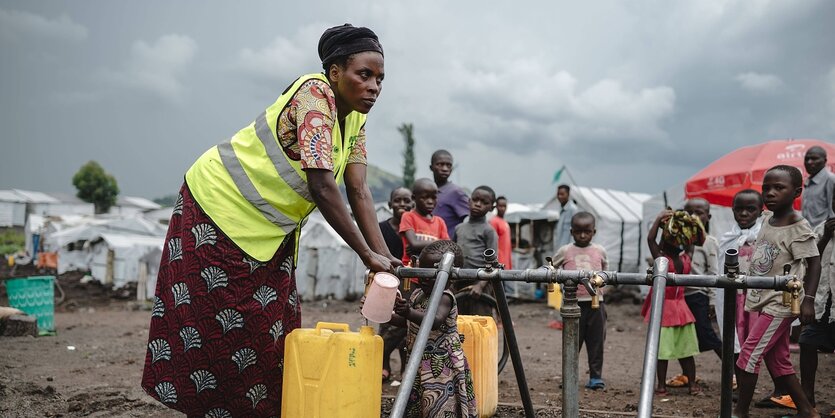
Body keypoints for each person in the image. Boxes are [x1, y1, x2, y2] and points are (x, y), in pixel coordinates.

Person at [140, 24, 399, 416]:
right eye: (364, 74)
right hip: (215, 211)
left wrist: (386, 262)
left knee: (270, 328)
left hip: (267, 232)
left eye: (379, 78)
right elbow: (323, 186)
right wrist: (366, 255)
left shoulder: (355, 120)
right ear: (334, 72)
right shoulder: (315, 96)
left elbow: (359, 190)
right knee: (215, 325)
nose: (374, 86)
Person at [734, 165, 821, 418]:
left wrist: (809, 301)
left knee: (748, 355)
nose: (770, 193)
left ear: (796, 192)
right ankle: (807, 411)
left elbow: (813, 262)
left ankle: (740, 412)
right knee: (778, 360)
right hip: (764, 298)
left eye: (778, 188)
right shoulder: (766, 219)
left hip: (782, 302)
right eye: (766, 188)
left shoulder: (798, 226)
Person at [386, 240, 478, 418]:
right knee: (419, 403)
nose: (424, 277)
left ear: (450, 276)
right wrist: (387, 314)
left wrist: (409, 312)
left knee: (442, 404)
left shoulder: (445, 297)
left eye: (432, 273)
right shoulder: (418, 294)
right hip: (419, 362)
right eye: (423, 270)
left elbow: (434, 321)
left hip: (442, 364)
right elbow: (406, 322)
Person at [666, 198, 723, 389]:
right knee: (683, 336)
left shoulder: (709, 242)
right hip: (680, 297)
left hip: (698, 294)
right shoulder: (678, 239)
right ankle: (687, 374)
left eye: (699, 213)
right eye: (689, 213)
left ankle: (733, 371)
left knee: (707, 335)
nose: (694, 217)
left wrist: (712, 301)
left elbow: (713, 273)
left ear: (708, 217)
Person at [645, 209, 702, 396]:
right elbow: (692, 244)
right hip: (681, 309)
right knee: (686, 351)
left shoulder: (662, 259)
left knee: (662, 352)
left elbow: (650, 239)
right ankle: (692, 385)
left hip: (665, 310)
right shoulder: (685, 259)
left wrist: (658, 219)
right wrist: (693, 224)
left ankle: (661, 386)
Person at [552, 211, 608, 390]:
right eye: (578, 231)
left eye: (587, 231)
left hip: (596, 303)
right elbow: (551, 267)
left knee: (596, 342)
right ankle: (569, 377)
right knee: (571, 343)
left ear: (594, 232)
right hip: (572, 304)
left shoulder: (599, 251)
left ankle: (595, 377)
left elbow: (606, 272)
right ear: (571, 231)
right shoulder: (565, 251)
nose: (582, 235)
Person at [799, 189, 835, 413]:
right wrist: (824, 239)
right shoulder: (822, 229)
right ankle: (807, 401)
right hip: (823, 303)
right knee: (807, 342)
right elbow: (808, 261)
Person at [378, 187, 413, 383]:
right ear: (390, 204)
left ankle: (405, 369)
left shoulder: (412, 229)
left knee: (405, 325)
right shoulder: (381, 228)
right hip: (387, 281)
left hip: (409, 283)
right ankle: (384, 365)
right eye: (397, 200)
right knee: (386, 321)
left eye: (406, 201)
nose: (402, 204)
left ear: (412, 204)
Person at [454, 185, 499, 316]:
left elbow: (493, 263)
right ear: (469, 201)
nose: (478, 204)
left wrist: (480, 285)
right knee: (460, 321)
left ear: (491, 207)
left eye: (484, 202)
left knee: (480, 321)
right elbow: (453, 254)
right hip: (460, 281)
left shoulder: (489, 231)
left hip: (480, 282)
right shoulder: (459, 228)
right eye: (475, 200)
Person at [400, 178, 449, 266]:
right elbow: (414, 243)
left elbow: (448, 247)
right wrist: (439, 244)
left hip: (433, 273)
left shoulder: (440, 222)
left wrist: (421, 247)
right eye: (425, 197)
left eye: (434, 198)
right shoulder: (408, 216)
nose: (430, 202)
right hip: (411, 272)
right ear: (414, 198)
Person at [430, 150, 470, 240]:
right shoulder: (427, 191)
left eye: (449, 165)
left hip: (446, 249)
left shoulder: (456, 192)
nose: (445, 169)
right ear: (431, 167)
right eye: (440, 164)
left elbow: (473, 219)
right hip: (427, 246)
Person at [802, 146, 835, 228]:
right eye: (807, 159)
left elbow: (832, 211)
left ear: (824, 161)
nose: (809, 162)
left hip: (824, 234)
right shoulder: (808, 181)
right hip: (809, 233)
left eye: (814, 159)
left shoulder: (830, 179)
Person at [489, 196, 513, 269]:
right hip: (499, 264)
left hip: (506, 262)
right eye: (500, 206)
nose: (502, 208)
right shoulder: (493, 222)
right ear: (496, 206)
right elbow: (491, 243)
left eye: (504, 206)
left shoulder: (505, 222)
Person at [553, 185, 578, 251]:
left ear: (568, 194)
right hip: (560, 247)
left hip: (568, 249)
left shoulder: (573, 209)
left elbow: (575, 230)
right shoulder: (561, 209)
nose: (559, 196)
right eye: (558, 194)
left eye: (562, 194)